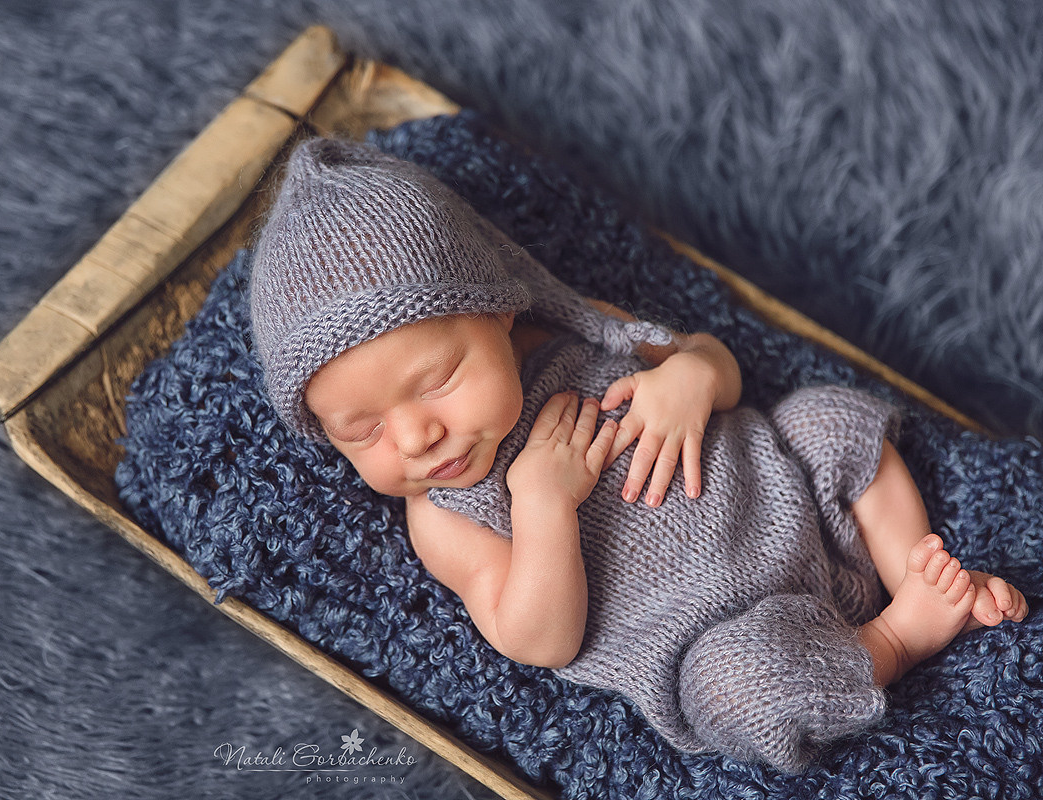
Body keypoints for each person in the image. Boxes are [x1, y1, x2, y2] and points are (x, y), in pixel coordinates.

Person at [247, 136, 1028, 771]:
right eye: (362, 432)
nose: (415, 436)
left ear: (497, 307)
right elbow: (538, 639)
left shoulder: (573, 333)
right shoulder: (444, 516)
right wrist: (542, 506)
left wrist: (690, 377)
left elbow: (714, 361)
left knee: (830, 420)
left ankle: (918, 569)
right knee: (742, 693)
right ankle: (896, 637)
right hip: (724, 637)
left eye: (439, 380)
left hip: (792, 500)